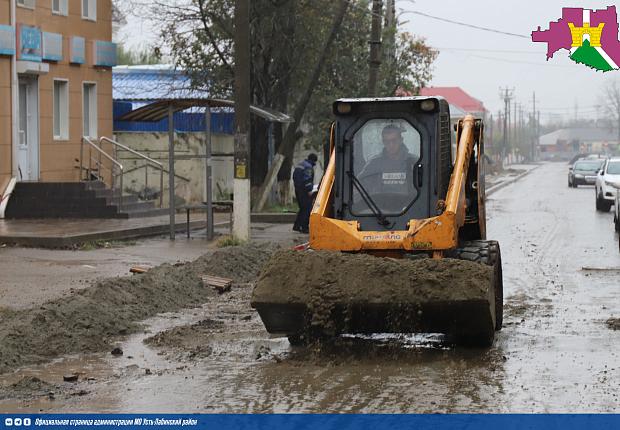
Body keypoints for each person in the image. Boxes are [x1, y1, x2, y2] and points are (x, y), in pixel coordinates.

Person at [358, 124, 417, 196]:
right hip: (378, 206)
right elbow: (358, 186)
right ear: (383, 142)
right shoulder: (374, 163)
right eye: (387, 142)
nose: (391, 145)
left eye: (394, 140)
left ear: (401, 140)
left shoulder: (414, 162)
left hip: (410, 206)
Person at [292, 153, 318, 233]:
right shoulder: (308, 167)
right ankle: (304, 227)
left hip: (298, 189)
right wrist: (309, 190)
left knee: (302, 209)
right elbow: (307, 180)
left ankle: (296, 226)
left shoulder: (300, 165)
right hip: (305, 191)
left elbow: (294, 177)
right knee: (307, 209)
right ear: (313, 160)